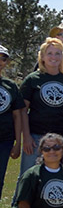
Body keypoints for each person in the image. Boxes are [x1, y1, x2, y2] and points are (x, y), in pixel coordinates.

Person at [18, 38, 63, 178]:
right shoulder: (32, 80)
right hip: (36, 137)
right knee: (27, 176)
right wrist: (26, 136)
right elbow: (22, 111)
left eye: (57, 53)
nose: (53, 57)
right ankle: (19, 201)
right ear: (42, 57)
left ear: (62, 57)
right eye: (49, 53)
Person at [0, 44, 24, 197]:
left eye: (3, 58)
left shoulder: (10, 86)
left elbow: (17, 116)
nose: (0, 61)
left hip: (4, 140)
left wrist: (18, 143)